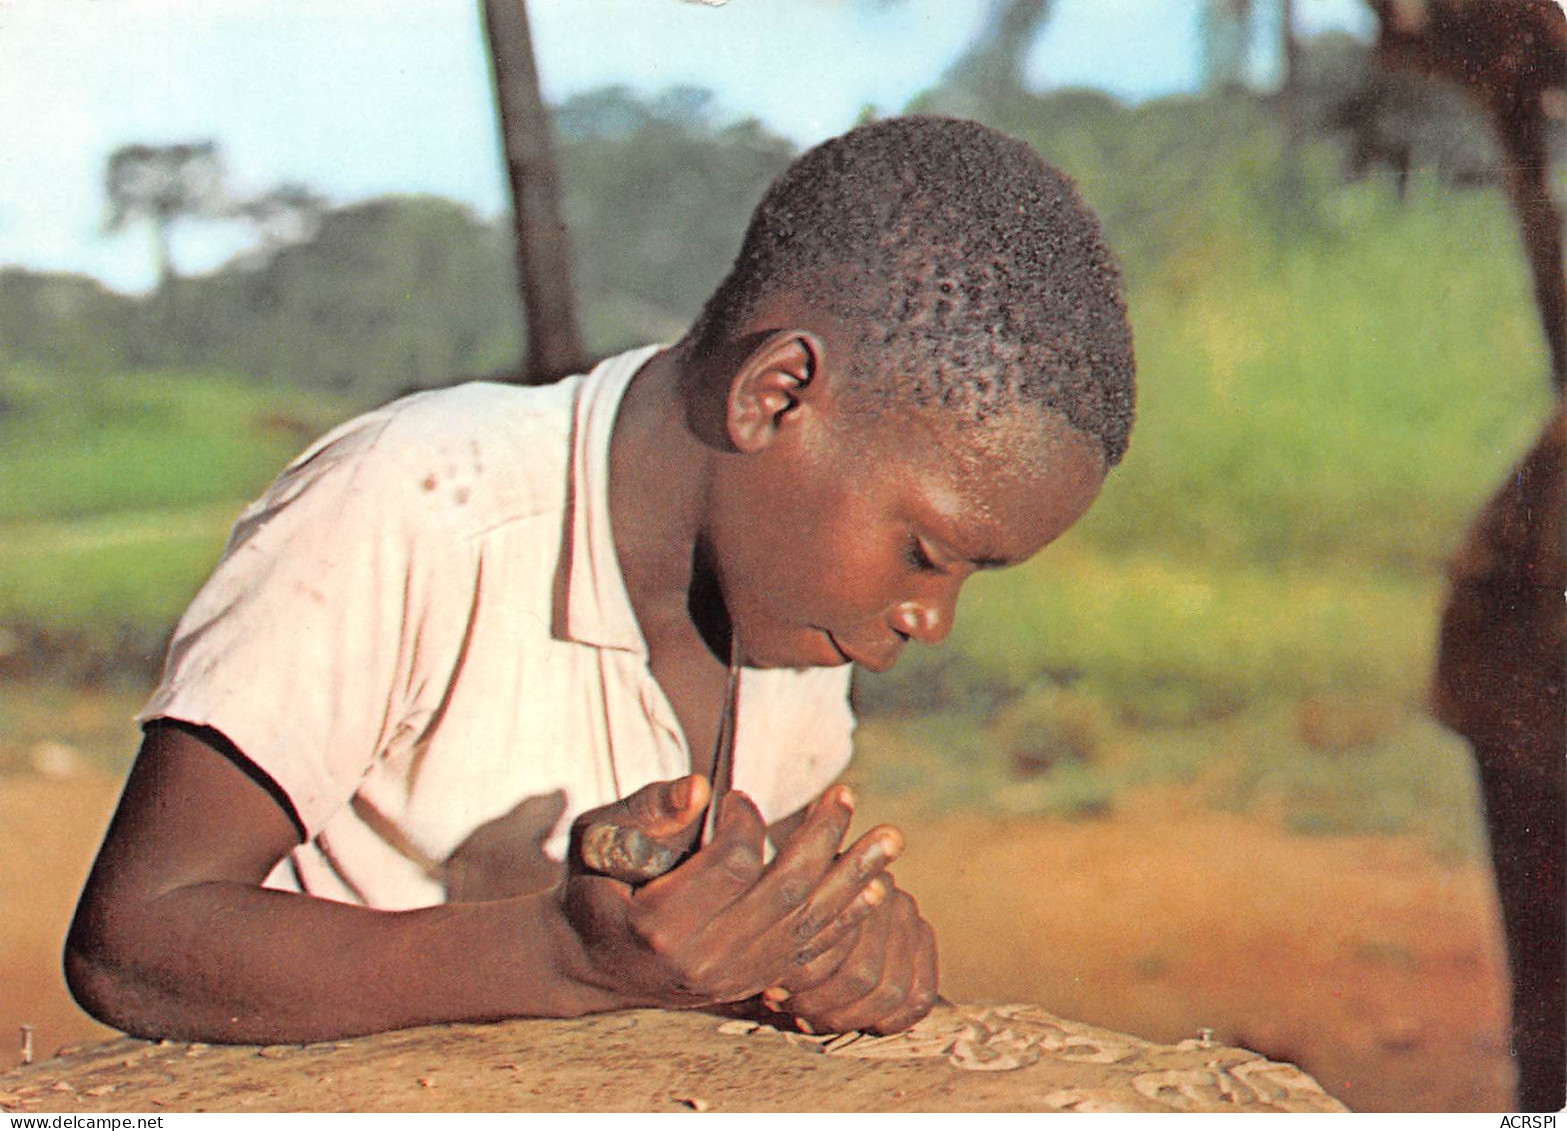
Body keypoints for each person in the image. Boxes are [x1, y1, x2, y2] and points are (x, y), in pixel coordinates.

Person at [65, 116, 1136, 1046]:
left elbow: (707, 941)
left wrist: (825, 943)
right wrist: (553, 956)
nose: (930, 620)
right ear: (774, 396)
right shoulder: (415, 508)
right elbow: (135, 941)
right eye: (927, 552)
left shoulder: (789, 618)